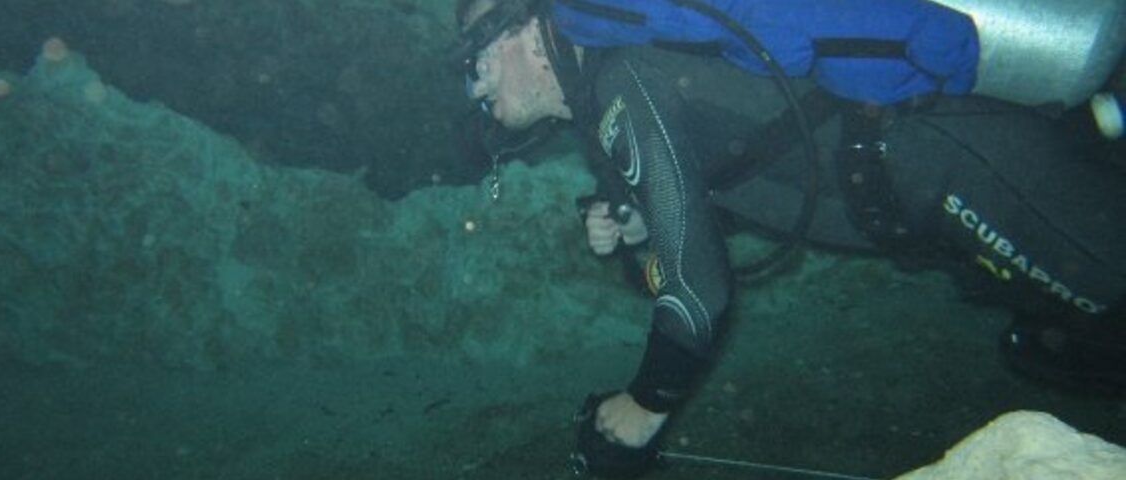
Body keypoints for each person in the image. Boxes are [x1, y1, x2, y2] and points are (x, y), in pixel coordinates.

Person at [450, 0, 1126, 476]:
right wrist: (634, 231)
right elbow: (714, 222)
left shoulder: (623, 82)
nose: (472, 81)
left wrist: (643, 408)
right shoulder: (615, 102)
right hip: (941, 191)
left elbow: (699, 293)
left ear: (527, 34)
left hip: (951, 163)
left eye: (473, 51)